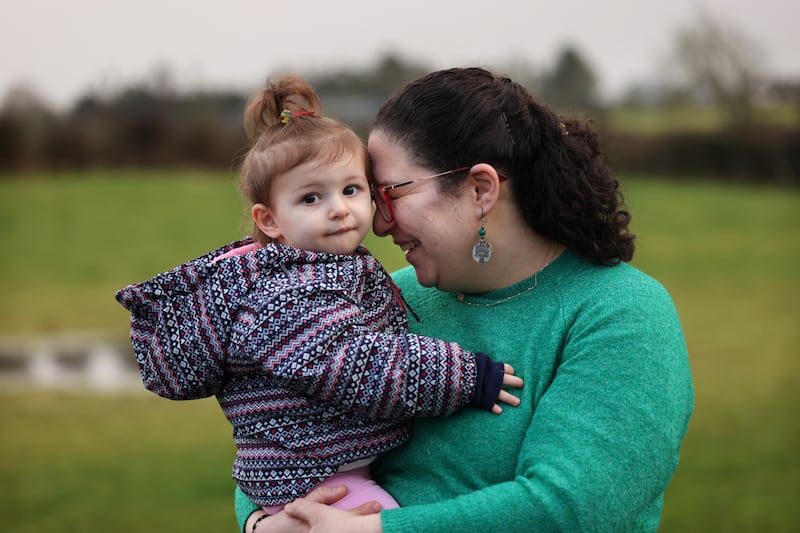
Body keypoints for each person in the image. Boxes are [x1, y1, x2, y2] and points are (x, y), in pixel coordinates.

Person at [235, 67, 694, 532]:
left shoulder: (621, 312)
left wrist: (377, 531)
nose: (378, 224)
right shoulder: (382, 297)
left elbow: (571, 509)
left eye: (388, 195)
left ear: (480, 189)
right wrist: (262, 524)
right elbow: (278, 433)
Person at [115, 74, 523, 518]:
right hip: (319, 475)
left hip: (322, 466)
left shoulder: (329, 272)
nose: (338, 208)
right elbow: (357, 364)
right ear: (269, 220)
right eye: (311, 198)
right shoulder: (289, 293)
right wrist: (463, 377)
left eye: (351, 189)